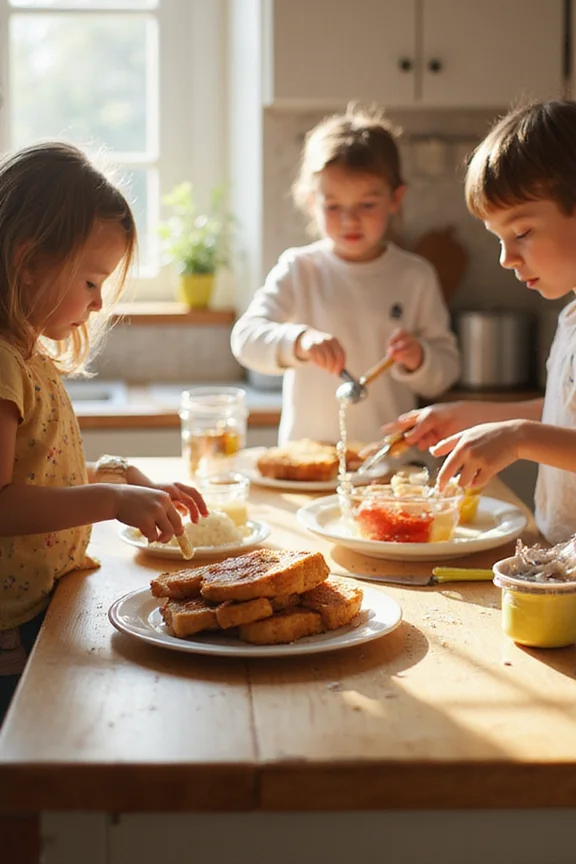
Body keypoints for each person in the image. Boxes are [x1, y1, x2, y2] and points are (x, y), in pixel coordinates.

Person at [0, 141, 207, 722]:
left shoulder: (25, 356)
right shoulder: (3, 364)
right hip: (11, 627)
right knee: (32, 772)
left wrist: (116, 477)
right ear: (29, 260)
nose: (95, 304)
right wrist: (111, 500)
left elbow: (39, 474)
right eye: (91, 282)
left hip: (44, 602)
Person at [383, 100, 576, 544]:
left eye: (522, 232)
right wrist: (472, 417)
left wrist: (518, 437)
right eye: (499, 238)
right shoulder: (570, 316)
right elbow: (565, 415)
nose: (506, 258)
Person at [231, 106, 460, 445]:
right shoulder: (299, 269)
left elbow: (445, 372)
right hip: (307, 462)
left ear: (395, 199)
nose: (350, 221)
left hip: (387, 463)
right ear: (311, 202)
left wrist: (420, 358)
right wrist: (300, 341)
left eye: (366, 205)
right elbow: (245, 340)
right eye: (333, 206)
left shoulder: (415, 276)